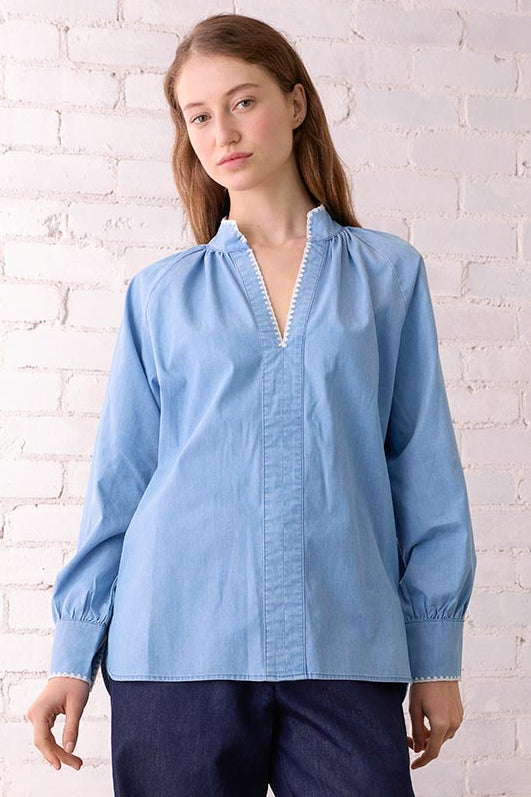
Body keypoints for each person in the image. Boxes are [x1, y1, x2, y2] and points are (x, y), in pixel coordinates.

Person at [26, 12, 477, 797]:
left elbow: (424, 469)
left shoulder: (386, 276)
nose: (222, 131)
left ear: (295, 104)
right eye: (198, 115)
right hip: (173, 650)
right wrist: (74, 652)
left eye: (243, 102)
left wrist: (433, 655)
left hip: (342, 644)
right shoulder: (160, 294)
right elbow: (120, 483)